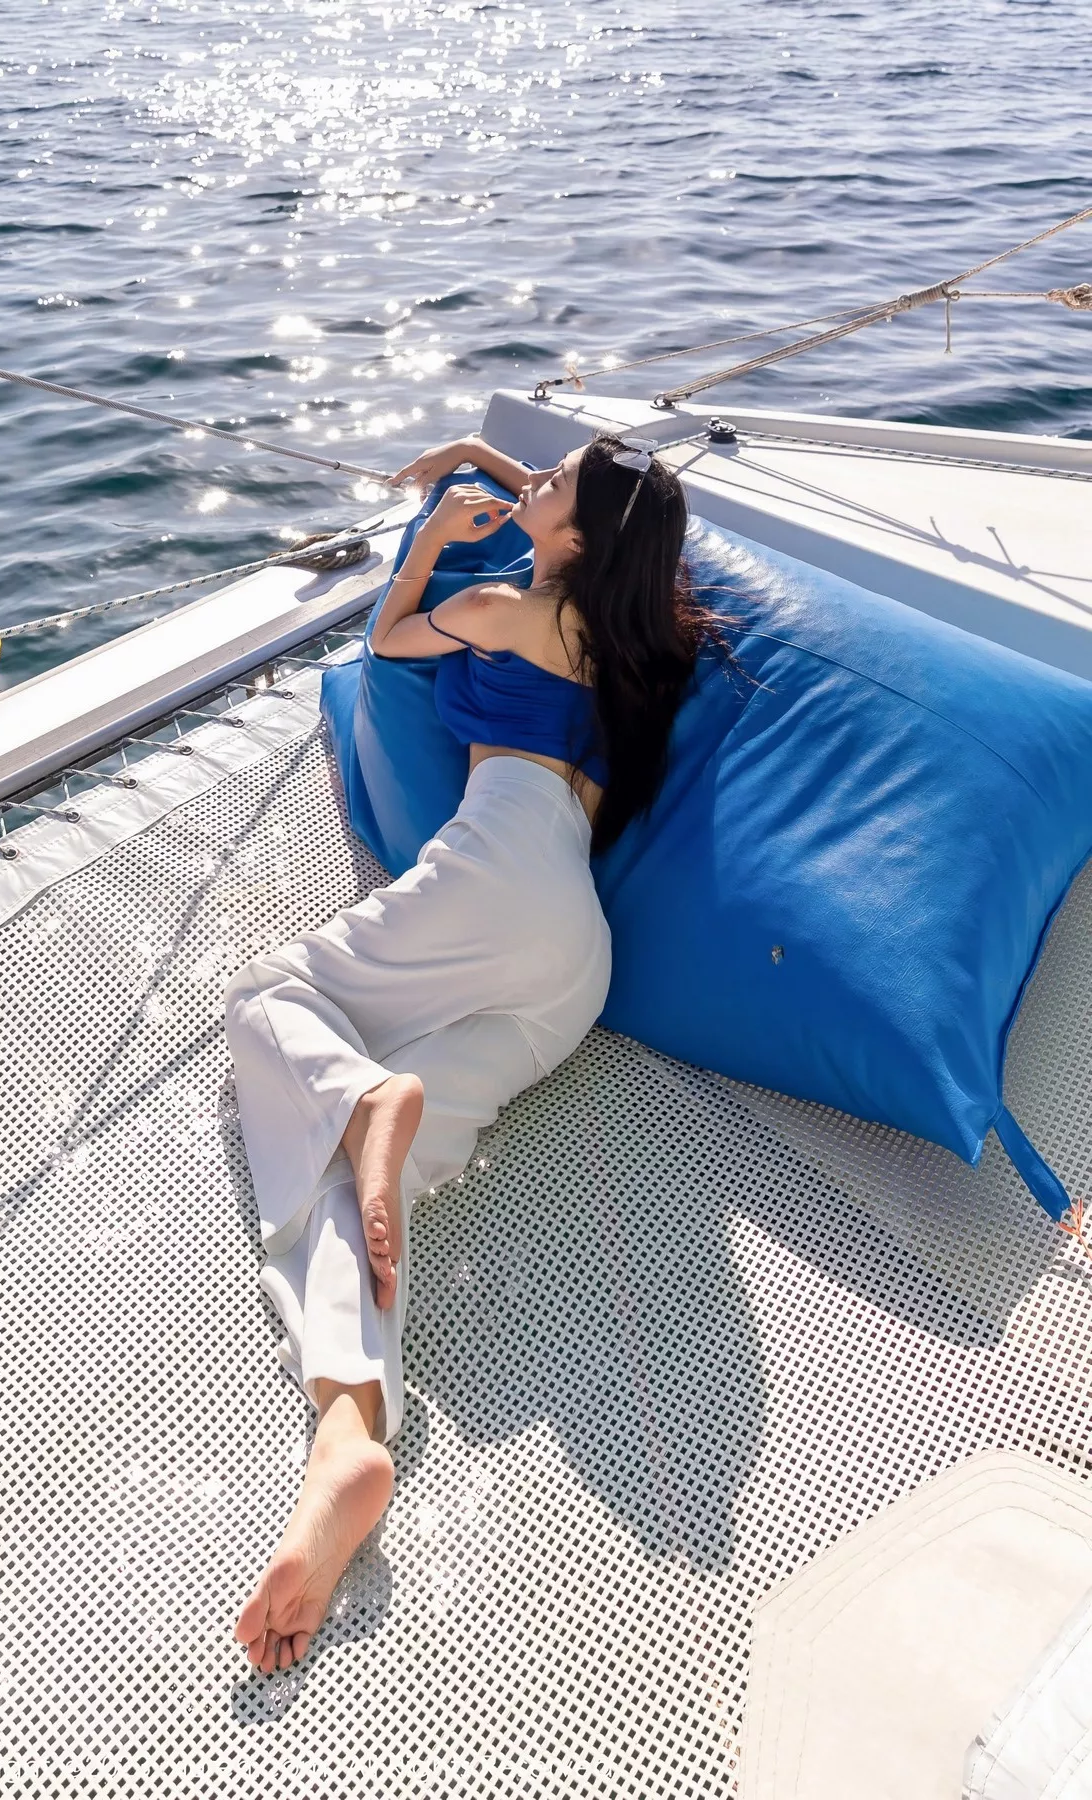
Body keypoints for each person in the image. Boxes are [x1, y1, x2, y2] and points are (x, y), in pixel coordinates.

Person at [226, 429, 728, 1675]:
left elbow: (388, 638)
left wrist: (430, 545)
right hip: (573, 968)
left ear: (577, 535)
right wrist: (483, 462)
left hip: (492, 869)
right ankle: (347, 1432)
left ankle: (362, 1099)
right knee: (366, 1181)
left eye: (545, 483)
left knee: (267, 999)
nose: (526, 482)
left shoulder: (505, 610)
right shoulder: (637, 641)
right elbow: (591, 505)